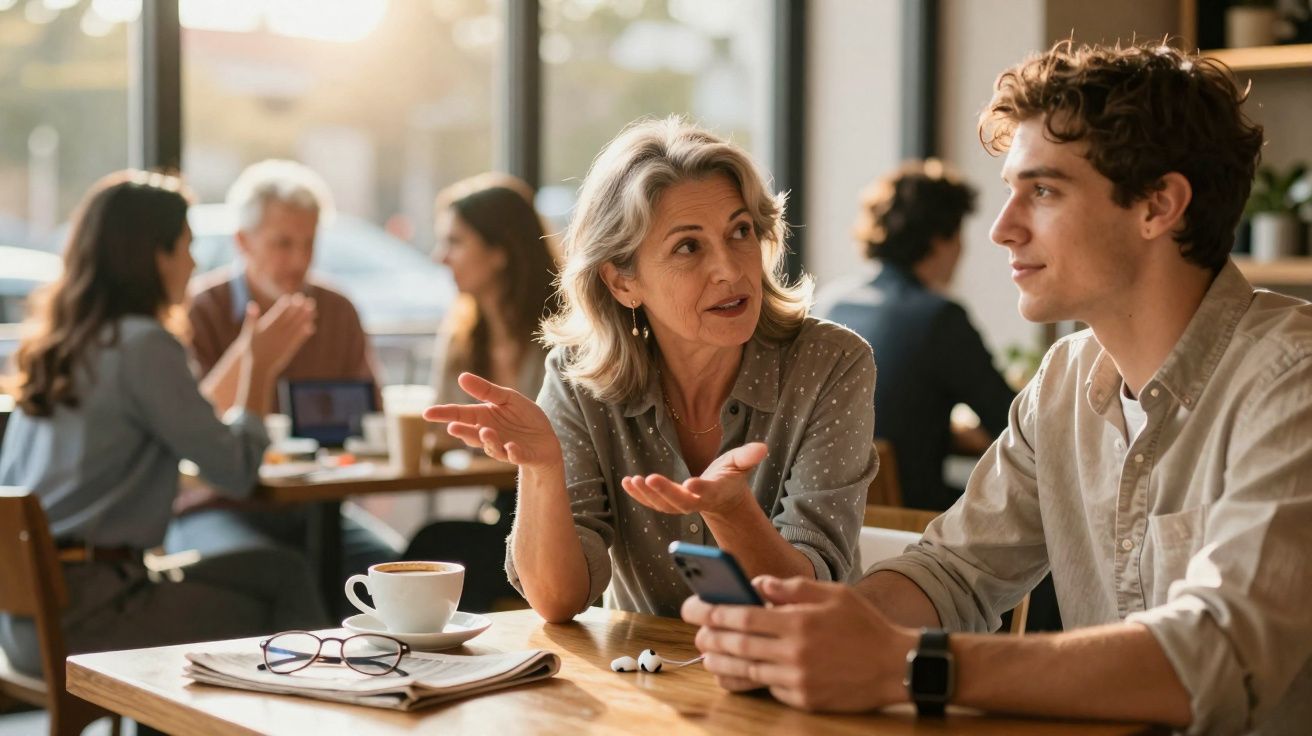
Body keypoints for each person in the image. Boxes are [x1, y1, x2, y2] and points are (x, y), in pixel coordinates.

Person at [683, 41, 1310, 734]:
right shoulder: (1066, 378)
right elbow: (954, 572)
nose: (1003, 230)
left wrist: (906, 663)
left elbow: (1219, 652)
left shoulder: (1292, 381)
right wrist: (807, 641)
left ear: (1158, 205)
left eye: (1042, 191)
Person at [424, 117, 877, 621]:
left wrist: (731, 512)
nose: (730, 268)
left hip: (796, 677)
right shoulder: (580, 378)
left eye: (741, 231)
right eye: (689, 246)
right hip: (647, 683)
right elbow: (557, 600)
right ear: (621, 282)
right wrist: (541, 469)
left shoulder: (830, 362)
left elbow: (809, 596)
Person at [0, 171, 328, 680]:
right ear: (157, 255)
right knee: (282, 593)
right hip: (91, 614)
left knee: (279, 569)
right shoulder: (144, 346)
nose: (195, 263)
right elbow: (237, 470)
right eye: (187, 246)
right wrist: (258, 366)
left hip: (27, 620)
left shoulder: (61, 344)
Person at [165, 159, 401, 603]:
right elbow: (192, 425)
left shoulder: (336, 310)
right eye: (282, 243)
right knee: (282, 578)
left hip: (316, 507)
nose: (297, 260)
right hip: (216, 505)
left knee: (397, 574)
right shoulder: (201, 310)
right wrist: (254, 353)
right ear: (243, 242)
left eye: (308, 243)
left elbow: (371, 419)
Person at [402, 173, 562, 611]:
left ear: (499, 252)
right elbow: (438, 428)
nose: (440, 257)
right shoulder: (462, 333)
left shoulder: (565, 333)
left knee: (437, 549)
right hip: (504, 509)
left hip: (562, 516)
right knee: (431, 548)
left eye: (455, 242)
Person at [820, 160, 1014, 511]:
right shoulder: (938, 317)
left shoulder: (831, 304)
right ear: (942, 239)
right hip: (911, 518)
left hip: (829, 510)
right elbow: (1012, 422)